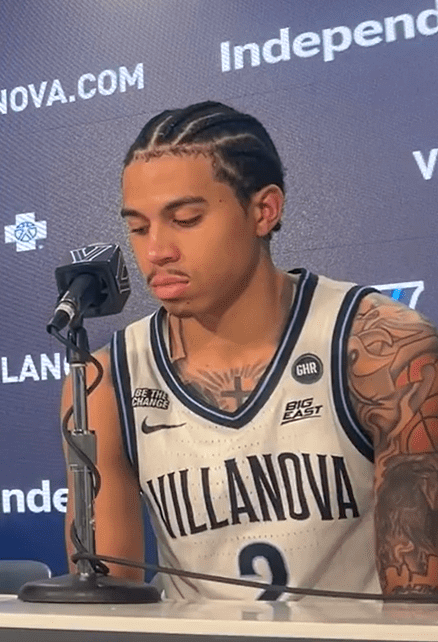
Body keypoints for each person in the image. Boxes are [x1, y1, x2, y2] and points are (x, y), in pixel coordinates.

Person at [66, 101, 438, 599]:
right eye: (138, 227)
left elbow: (420, 604)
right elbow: (106, 600)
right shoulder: (104, 382)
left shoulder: (383, 347)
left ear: (264, 210)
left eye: (186, 218)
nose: (156, 251)